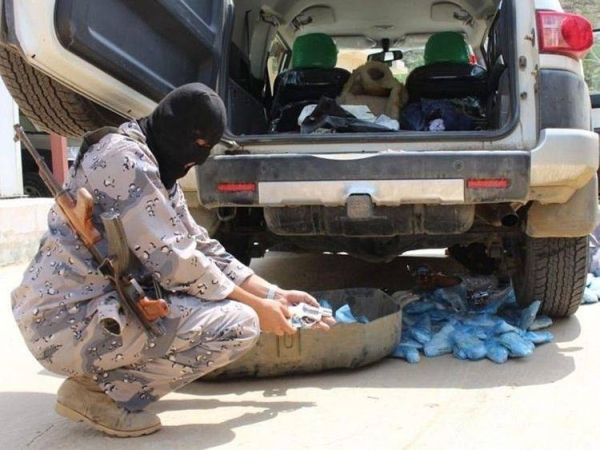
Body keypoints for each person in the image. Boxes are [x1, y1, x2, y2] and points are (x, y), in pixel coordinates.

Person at [11, 83, 334, 437]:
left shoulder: (152, 160)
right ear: (173, 126)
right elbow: (179, 265)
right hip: (62, 320)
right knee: (238, 323)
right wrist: (259, 308)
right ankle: (98, 393)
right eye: (198, 145)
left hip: (87, 307)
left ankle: (111, 380)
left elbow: (198, 245)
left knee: (229, 307)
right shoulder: (125, 161)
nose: (199, 157)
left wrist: (274, 294)